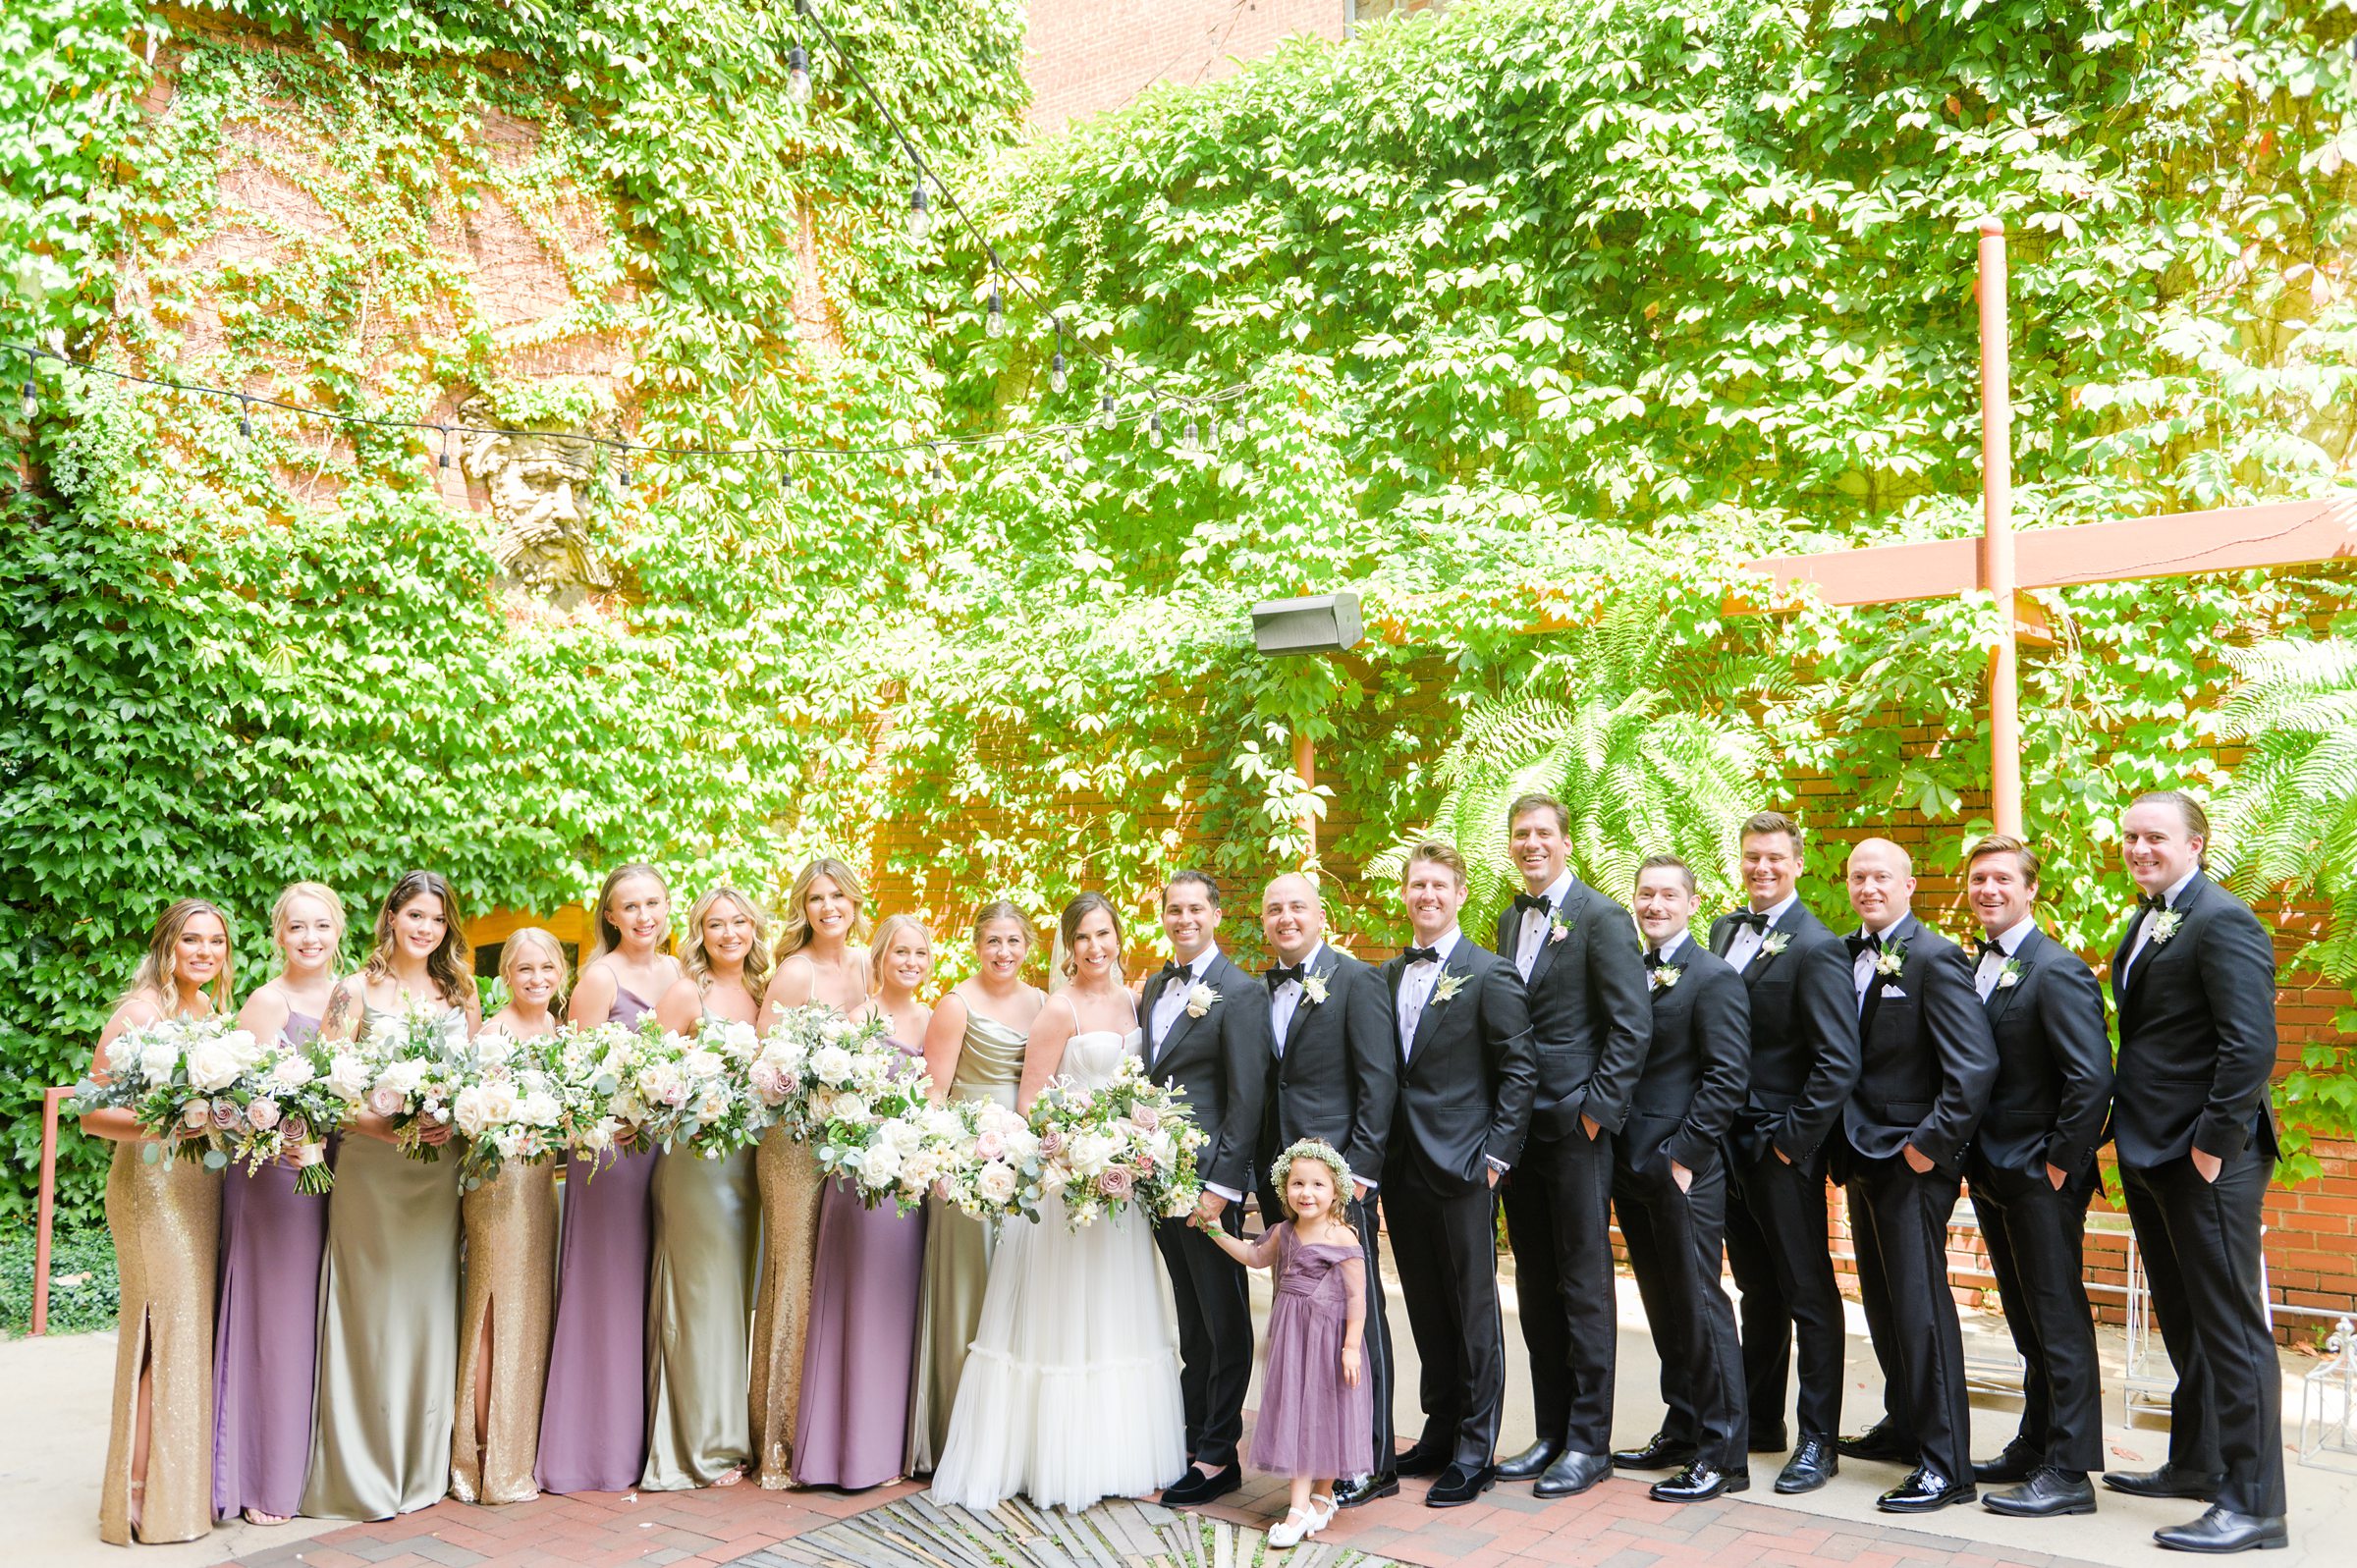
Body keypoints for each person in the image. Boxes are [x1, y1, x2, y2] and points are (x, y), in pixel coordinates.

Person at [929, 893, 1186, 1511]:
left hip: (1120, 1191)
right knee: (1066, 1321)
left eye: (1104, 934)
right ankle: (1055, 1460)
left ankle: (1120, 1453)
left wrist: (1137, 1141)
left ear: (1118, 937)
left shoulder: (1136, 1001)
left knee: (1116, 1315)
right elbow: (1031, 1102)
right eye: (1083, 938)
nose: (1096, 948)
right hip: (1070, 1185)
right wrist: (1077, 1149)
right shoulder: (1058, 1010)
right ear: (1068, 947)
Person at [2103, 792, 2288, 1553]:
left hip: (2207, 1157)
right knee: (2186, 1321)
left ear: (2197, 844)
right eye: (2131, 836)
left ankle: (2256, 1504)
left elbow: (2250, 1045)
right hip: (2151, 1152)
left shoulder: (2223, 919)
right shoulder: (2151, 915)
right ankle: (2198, 1462)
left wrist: (2211, 1144)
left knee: (2232, 1329)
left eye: (2157, 837)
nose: (2140, 847)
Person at [303, 871, 480, 1520]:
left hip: (437, 1173)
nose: (425, 928)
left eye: (436, 918)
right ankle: (362, 1470)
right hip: (373, 1170)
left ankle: (420, 1463)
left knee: (428, 1309)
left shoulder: (460, 993)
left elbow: (474, 1081)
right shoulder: (353, 991)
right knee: (371, 1311)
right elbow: (322, 1087)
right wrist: (383, 1125)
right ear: (392, 917)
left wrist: (455, 1117)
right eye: (415, 915)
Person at [1489, 793, 1650, 1500]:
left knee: (1583, 1285)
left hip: (1575, 1132)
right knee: (1534, 1283)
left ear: (1566, 842)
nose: (1531, 844)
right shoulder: (1505, 920)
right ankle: (1551, 1429)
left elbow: (1630, 1024)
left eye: (1542, 834)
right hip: (1518, 1133)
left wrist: (1596, 1115)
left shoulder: (1603, 917)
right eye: (1520, 834)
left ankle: (1590, 1442)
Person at [1830, 838, 1997, 1515]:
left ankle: (1946, 1463)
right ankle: (1904, 1424)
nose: (1869, 886)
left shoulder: (1933, 957)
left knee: (1922, 1309)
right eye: (1858, 876)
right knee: (1883, 1301)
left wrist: (1927, 1147)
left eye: (1881, 876)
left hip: (1911, 1160)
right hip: (1862, 1153)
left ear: (1908, 882)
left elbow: (1973, 1066)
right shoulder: (1848, 952)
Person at [1956, 835, 2113, 1520]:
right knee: (2024, 1318)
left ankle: (2071, 1468)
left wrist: (2056, 1161)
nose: (1988, 889)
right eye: (1978, 879)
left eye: (2001, 879)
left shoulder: (2057, 970)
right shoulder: (1979, 966)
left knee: (2057, 1317)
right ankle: (2035, 1441)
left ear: (2029, 890)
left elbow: (2092, 1078)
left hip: (2039, 1174)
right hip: (1991, 1170)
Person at [1382, 839, 1538, 1507]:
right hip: (1401, 1166)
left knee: (1474, 1310)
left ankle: (1476, 1448)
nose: (1427, 895)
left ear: (1461, 894)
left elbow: (1519, 1070)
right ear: (1406, 893)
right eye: (1418, 885)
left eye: (1439, 885)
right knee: (1423, 1303)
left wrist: (1496, 1158)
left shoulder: (1490, 973)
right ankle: (1440, 1429)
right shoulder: (1384, 974)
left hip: (1466, 1165)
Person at [1708, 811, 1859, 1494]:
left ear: (1797, 864)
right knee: (1755, 1287)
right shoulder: (1722, 930)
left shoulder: (1817, 947)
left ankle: (1818, 1440)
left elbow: (1836, 1062)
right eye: (1751, 857)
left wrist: (1790, 1145)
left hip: (1780, 1147)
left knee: (1808, 1291)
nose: (1761, 868)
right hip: (1725, 1144)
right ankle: (1760, 1419)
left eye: (1773, 858)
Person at [84, 898, 234, 1545]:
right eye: (191, 940)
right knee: (156, 1336)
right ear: (167, 944)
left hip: (202, 1188)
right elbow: (93, 1113)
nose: (204, 951)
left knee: (186, 1336)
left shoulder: (213, 1013)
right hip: (151, 1190)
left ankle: (177, 1483)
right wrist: (171, 1121)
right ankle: (136, 1491)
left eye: (216, 941)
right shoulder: (141, 1011)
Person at [1256, 872, 1398, 1507]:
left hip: (1338, 1187)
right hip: (1285, 1187)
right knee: (1304, 1324)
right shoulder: (1258, 988)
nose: (1286, 916)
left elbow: (1379, 1080)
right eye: (1274, 908)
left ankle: (1370, 1459)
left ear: (1321, 914)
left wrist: (1359, 1176)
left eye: (1297, 906)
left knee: (1356, 1319)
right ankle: (1312, 1457)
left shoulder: (1355, 979)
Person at [1612, 856, 1751, 1502]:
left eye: (1669, 894)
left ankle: (1724, 1453)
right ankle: (1683, 1424)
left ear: (1693, 903)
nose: (1656, 903)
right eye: (1647, 893)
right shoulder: (1625, 973)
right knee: (1664, 1304)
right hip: (1629, 1161)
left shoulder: (1714, 977)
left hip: (1683, 1167)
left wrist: (1683, 1153)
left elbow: (1726, 1075)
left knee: (1700, 1303)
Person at [537, 864, 680, 1494]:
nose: (644, 916)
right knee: (610, 1287)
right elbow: (574, 1079)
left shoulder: (679, 974)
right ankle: (592, 1450)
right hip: (613, 1154)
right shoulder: (600, 978)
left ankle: (654, 1440)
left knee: (655, 1289)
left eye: (653, 903)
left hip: (668, 1152)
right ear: (611, 916)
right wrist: (614, 1117)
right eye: (631, 906)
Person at [1139, 871, 1272, 1508]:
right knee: (1191, 1321)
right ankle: (1194, 1440)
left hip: (1208, 1188)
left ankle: (1220, 1453)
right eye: (1174, 907)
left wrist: (1221, 1189)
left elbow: (1247, 1100)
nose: (1184, 916)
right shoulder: (1153, 986)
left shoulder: (1239, 992)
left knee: (1224, 1320)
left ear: (1216, 913)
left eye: (1196, 907)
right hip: (1159, 1182)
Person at [214, 883, 341, 1527]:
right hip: (274, 1180)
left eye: (321, 924)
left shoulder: (350, 1001)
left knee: (322, 1320)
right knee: (277, 1323)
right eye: (298, 927)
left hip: (335, 1175)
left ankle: (314, 1467)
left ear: (338, 929)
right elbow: (232, 1105)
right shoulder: (267, 1001)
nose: (310, 937)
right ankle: (263, 1477)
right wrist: (280, 1135)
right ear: (279, 934)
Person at [794, 914, 933, 1489]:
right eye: (900, 952)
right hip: (858, 1181)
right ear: (880, 957)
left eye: (919, 953)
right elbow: (827, 1105)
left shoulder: (936, 1019)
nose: (910, 962)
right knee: (856, 1305)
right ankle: (843, 1453)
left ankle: (892, 1447)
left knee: (899, 1305)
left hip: (911, 1182)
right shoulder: (856, 1020)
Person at [906, 902, 1046, 1473]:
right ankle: (952, 1437)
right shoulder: (955, 1004)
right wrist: (951, 1161)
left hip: (1023, 1171)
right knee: (970, 1292)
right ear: (976, 945)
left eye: (1013, 941)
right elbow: (934, 1095)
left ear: (1029, 946)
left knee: (1017, 1298)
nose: (1003, 952)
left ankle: (1007, 1443)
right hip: (965, 1172)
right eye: (993, 940)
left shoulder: (1041, 1003)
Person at [641, 887, 769, 1489]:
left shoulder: (765, 991)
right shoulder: (686, 993)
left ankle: (734, 1430)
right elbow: (650, 1078)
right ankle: (701, 1445)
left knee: (736, 1300)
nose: (728, 934)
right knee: (701, 1300)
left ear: (754, 928)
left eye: (739, 922)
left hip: (752, 1165)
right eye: (715, 925)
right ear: (699, 932)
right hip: (696, 1165)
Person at [750, 856, 869, 1487]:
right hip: (795, 1145)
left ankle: (830, 1431)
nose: (829, 907)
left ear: (853, 902)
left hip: (851, 1142)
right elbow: (764, 1067)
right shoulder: (795, 971)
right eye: (817, 898)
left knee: (837, 1278)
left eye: (839, 896)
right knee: (793, 1274)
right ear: (804, 906)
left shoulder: (867, 964)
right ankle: (780, 1440)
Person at [1205, 1139, 1371, 1549]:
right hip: (1293, 1338)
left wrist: (1351, 1345)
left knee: (1329, 1410)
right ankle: (1310, 1501)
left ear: (1336, 1190)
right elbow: (1253, 1256)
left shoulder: (1342, 1237)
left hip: (1328, 1339)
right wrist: (1214, 1231)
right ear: (1285, 1189)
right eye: (1297, 1183)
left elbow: (1357, 1298)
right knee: (1299, 1411)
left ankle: (1312, 1500)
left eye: (1317, 1184)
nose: (1306, 1193)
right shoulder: (1283, 1231)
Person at [451, 928, 566, 1504]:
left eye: (547, 968)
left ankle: (516, 1445)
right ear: (506, 976)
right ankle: (481, 1456)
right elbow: (470, 1118)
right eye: (524, 969)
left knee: (528, 1314)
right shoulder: (492, 1034)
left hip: (540, 1186)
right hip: (498, 1187)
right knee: (494, 1312)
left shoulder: (556, 1031)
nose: (536, 979)